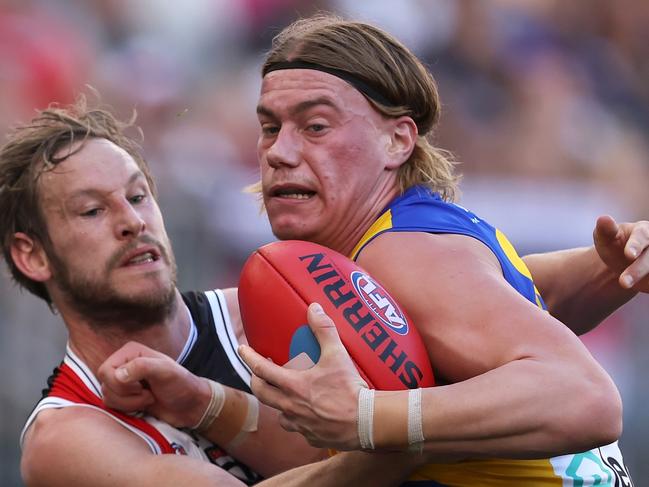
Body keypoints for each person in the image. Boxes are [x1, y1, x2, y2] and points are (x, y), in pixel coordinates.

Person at [233, 14, 648, 485]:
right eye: (270, 127)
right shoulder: (412, 240)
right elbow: (517, 304)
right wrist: (608, 271)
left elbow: (586, 397)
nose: (278, 152)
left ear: (397, 140)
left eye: (316, 127)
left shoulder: (400, 253)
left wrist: (369, 417)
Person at [0, 96, 427, 487]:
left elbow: (326, 455)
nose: (133, 221)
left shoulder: (277, 312)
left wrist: (205, 402)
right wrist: (408, 438)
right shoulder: (64, 435)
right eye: (92, 210)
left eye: (138, 196)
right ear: (32, 255)